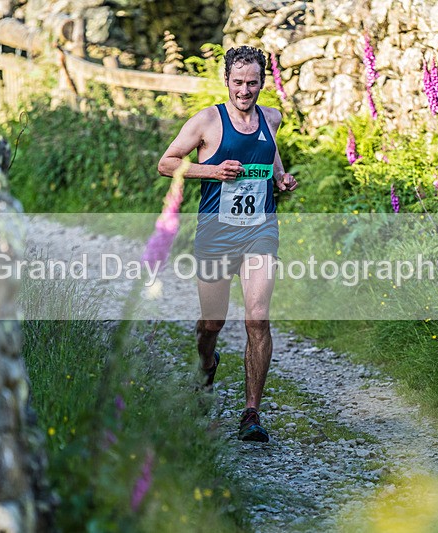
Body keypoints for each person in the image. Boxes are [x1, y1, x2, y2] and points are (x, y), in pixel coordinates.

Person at [157, 46, 298, 442]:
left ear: (262, 83)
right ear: (227, 81)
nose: (245, 90)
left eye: (253, 83)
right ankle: (207, 361)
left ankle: (251, 413)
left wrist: (281, 179)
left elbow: (270, 159)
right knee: (212, 324)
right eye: (238, 82)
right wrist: (212, 171)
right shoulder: (207, 120)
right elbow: (167, 163)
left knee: (257, 316)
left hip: (260, 231)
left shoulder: (272, 118)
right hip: (217, 234)